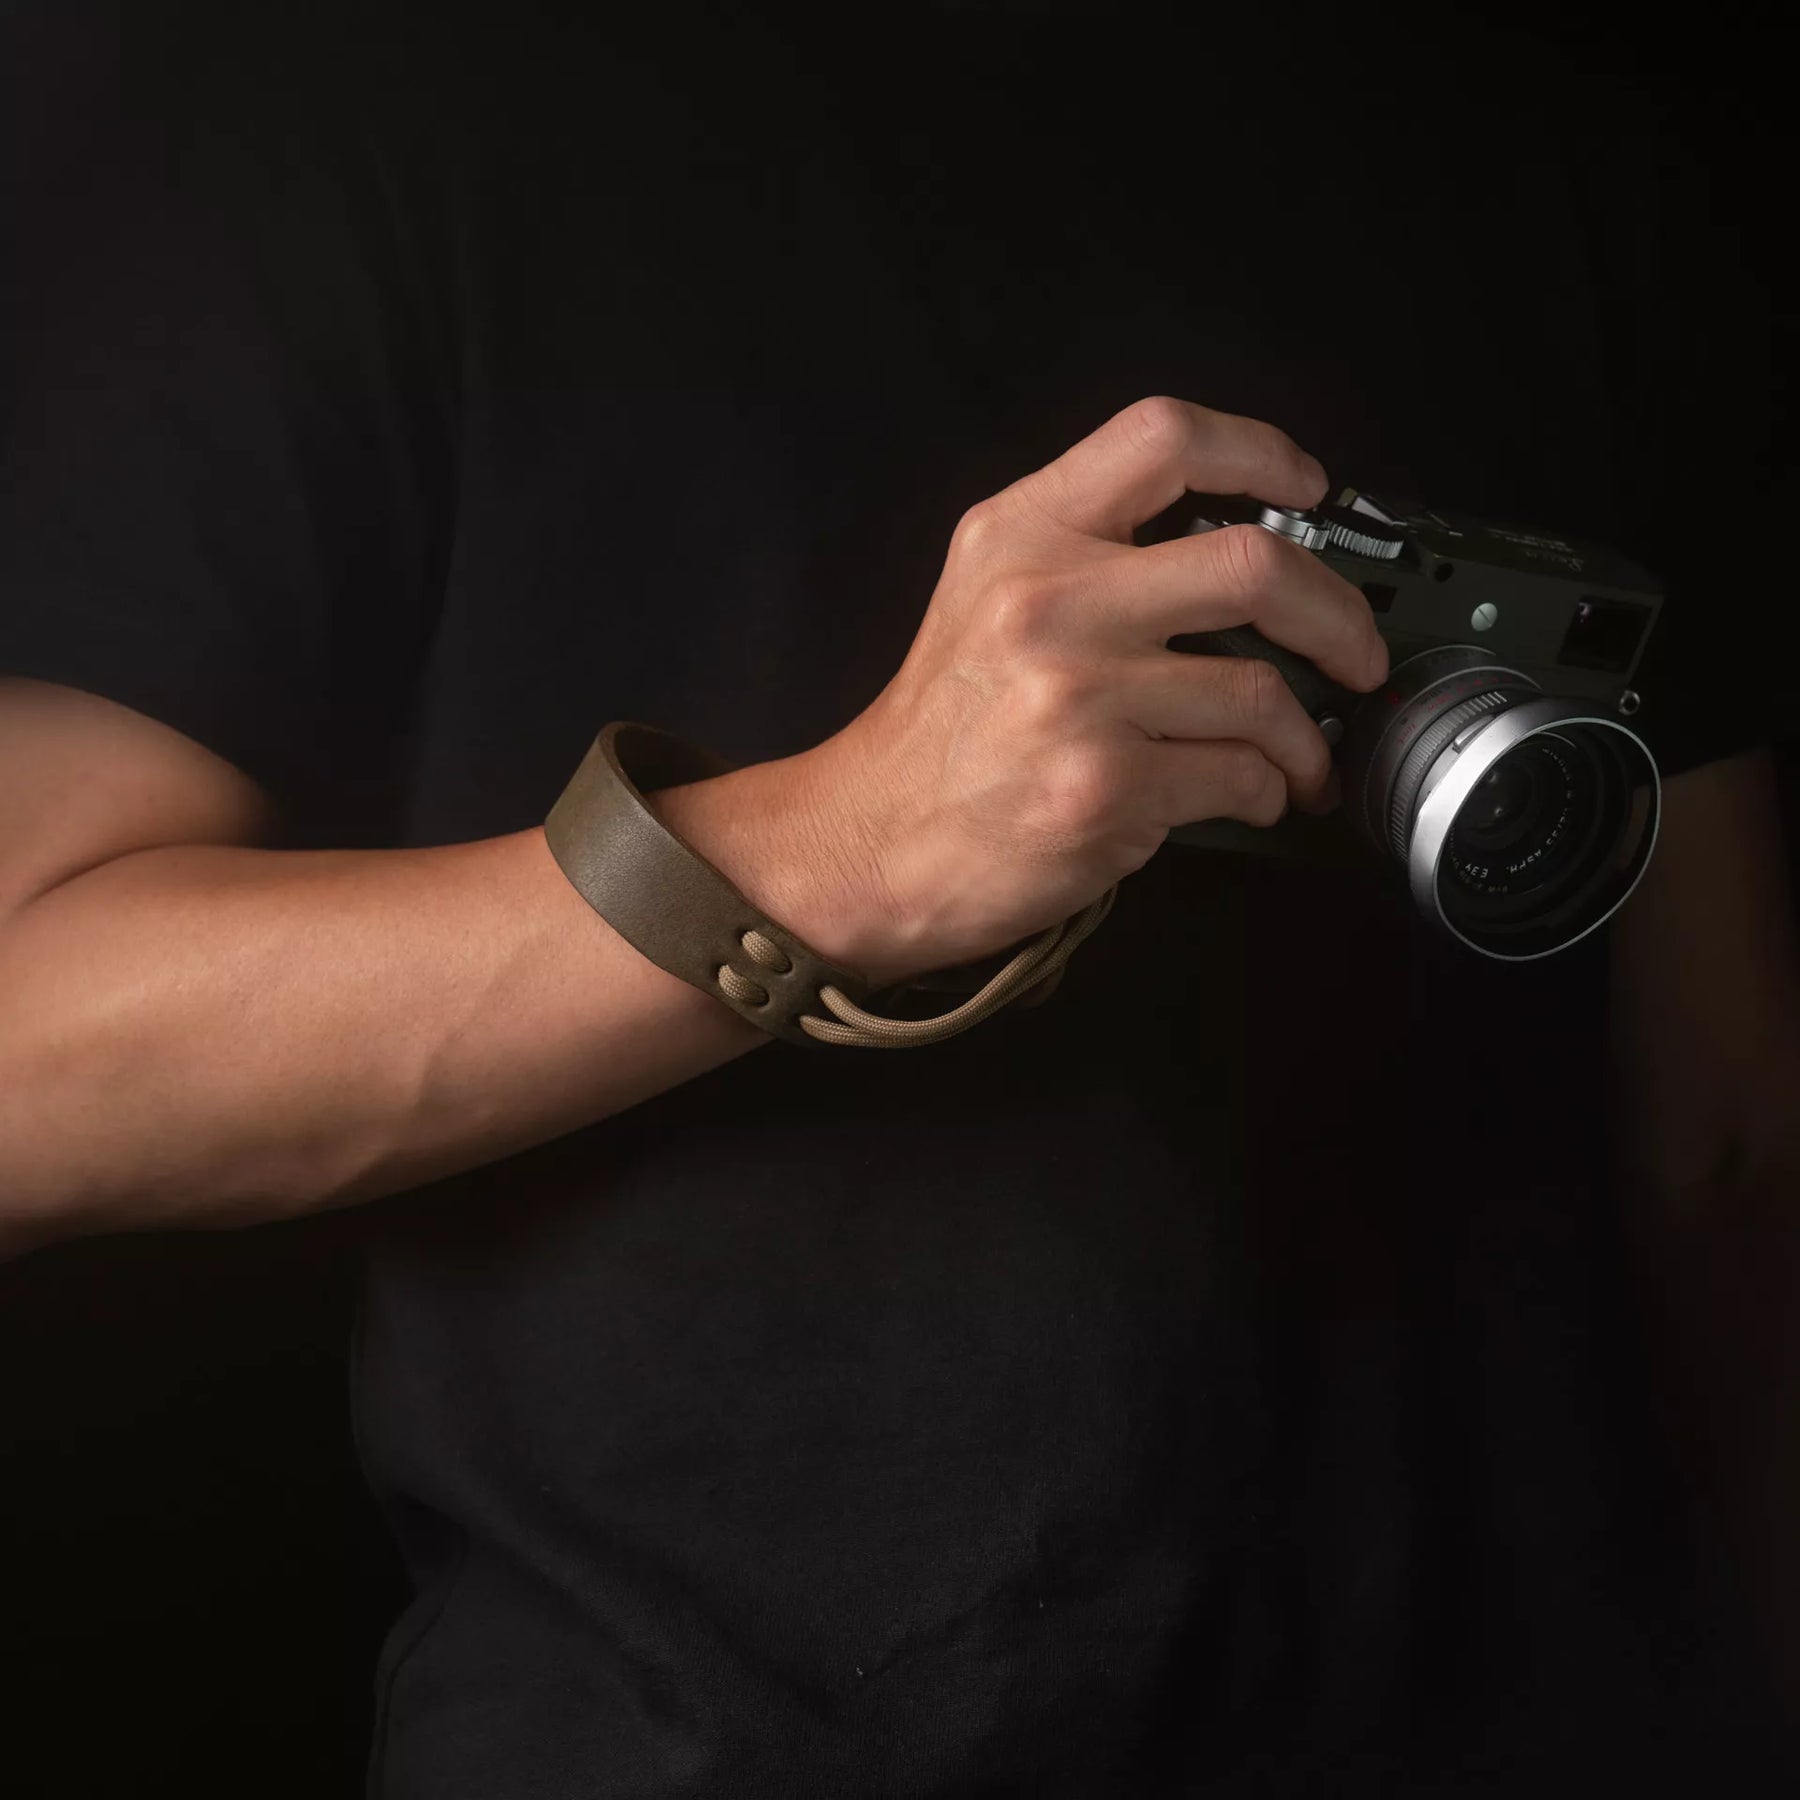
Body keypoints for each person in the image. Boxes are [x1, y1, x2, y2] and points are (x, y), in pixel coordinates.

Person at [2, 3, 1796, 1794]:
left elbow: (1728, 1131)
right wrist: (841, 849)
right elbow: (27, 1066)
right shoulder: (358, 101)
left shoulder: (1571, 132)